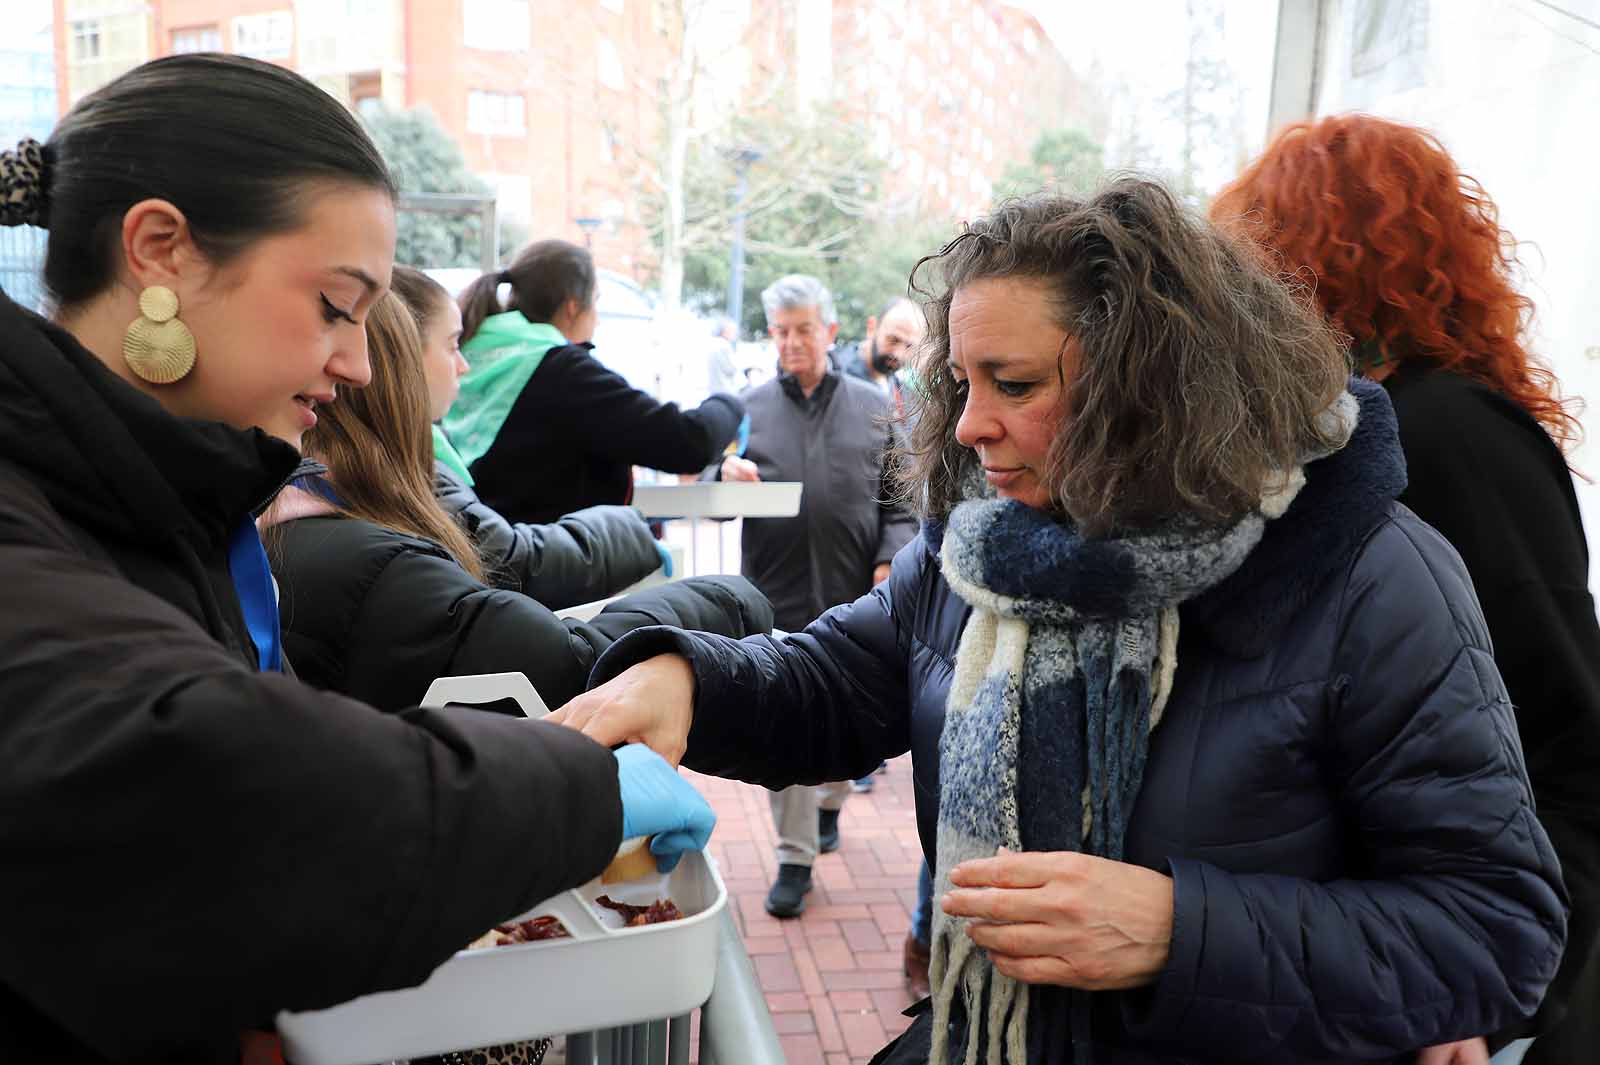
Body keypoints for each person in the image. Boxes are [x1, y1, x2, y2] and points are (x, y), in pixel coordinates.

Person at [552, 180, 1569, 1064]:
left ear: (1153, 388)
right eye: (961, 380)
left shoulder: (1371, 579)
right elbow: (837, 679)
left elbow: (1494, 931)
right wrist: (687, 679)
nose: (965, 425)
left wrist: (1182, 929)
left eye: (1016, 384)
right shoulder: (981, 549)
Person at [0, 55, 715, 1064]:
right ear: (159, 250)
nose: (360, 364)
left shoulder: (168, 498)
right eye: (337, 306)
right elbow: (211, 779)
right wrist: (575, 790)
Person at [1213, 112, 1600, 1065]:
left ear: (1308, 270)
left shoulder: (1448, 435)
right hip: (1358, 958)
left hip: (1442, 991)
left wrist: (1490, 994)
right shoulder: (1341, 432)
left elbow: (1566, 735)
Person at [263, 291, 774, 712]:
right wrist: (729, 598)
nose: (463, 366)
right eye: (451, 345)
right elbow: (558, 652)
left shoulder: (281, 518)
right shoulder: (379, 560)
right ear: (398, 375)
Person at [715, 273, 917, 917]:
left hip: (855, 596)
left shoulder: (873, 405)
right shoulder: (747, 410)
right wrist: (725, 476)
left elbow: (903, 497)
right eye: (781, 331)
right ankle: (795, 855)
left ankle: (831, 803)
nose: (792, 342)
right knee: (786, 719)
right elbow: (711, 498)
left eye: (804, 329)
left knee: (848, 721)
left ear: (829, 332)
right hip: (773, 597)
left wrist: (890, 562)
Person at [390, 265, 668, 609]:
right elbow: (512, 564)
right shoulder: (405, 464)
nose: (463, 365)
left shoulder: (403, 456)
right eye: (451, 346)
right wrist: (634, 529)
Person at [444, 239, 746, 525]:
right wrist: (730, 401)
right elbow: (688, 443)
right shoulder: (562, 373)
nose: (597, 320)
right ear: (573, 307)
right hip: (551, 567)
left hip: (478, 561)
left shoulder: (469, 355)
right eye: (596, 303)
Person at [844, 295, 925, 415]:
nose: (898, 354)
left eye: (909, 346)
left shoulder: (908, 400)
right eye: (893, 340)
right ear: (872, 328)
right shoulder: (834, 377)